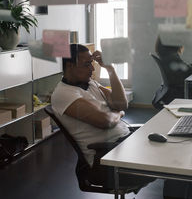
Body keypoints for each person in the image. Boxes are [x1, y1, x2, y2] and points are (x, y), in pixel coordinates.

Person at [51, 43, 154, 189]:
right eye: (87, 64)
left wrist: (110, 69)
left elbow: (121, 103)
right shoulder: (64, 94)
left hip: (121, 146)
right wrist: (118, 114)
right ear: (69, 66)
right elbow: (105, 121)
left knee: (167, 148)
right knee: (166, 158)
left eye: (91, 63)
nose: (92, 69)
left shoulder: (90, 83)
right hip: (106, 159)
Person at [152, 36, 192, 109]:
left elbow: (184, 68)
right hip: (178, 91)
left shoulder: (166, 55)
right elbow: (188, 72)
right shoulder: (171, 57)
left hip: (171, 90)